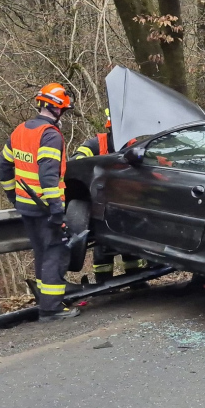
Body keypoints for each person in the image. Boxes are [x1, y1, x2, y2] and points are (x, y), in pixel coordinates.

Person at [0, 83, 80, 320]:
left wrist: (13, 197)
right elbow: (48, 176)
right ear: (57, 108)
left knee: (42, 252)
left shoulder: (20, 130)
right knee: (55, 251)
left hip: (26, 206)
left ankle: (47, 300)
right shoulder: (50, 135)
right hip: (45, 207)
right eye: (63, 110)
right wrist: (56, 210)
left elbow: (3, 167)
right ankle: (51, 309)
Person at [72, 108, 149, 283]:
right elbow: (77, 160)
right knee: (103, 249)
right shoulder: (96, 144)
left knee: (131, 248)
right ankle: (104, 283)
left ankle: (136, 283)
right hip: (103, 204)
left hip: (128, 204)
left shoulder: (135, 145)